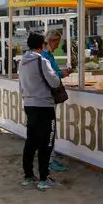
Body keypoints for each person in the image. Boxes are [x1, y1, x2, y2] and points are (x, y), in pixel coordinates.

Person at [19, 32, 61, 191]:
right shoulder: (41, 61)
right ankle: (44, 177)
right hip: (44, 105)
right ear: (42, 45)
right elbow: (55, 81)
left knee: (31, 141)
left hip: (29, 103)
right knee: (46, 142)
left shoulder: (22, 62)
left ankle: (28, 175)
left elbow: (21, 86)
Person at [41, 30, 71, 172]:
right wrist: (61, 73)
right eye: (57, 43)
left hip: (43, 97)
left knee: (45, 130)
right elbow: (52, 75)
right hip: (48, 96)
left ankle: (48, 158)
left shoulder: (46, 56)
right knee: (50, 130)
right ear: (51, 41)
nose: (58, 46)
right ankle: (49, 160)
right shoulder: (45, 57)